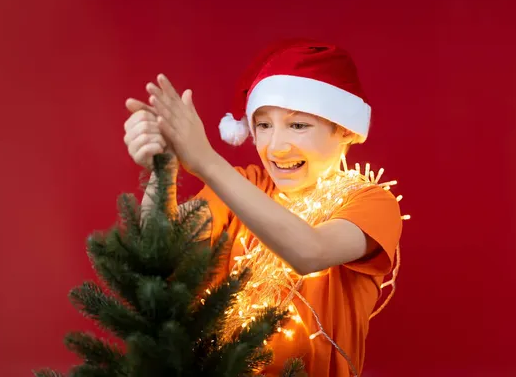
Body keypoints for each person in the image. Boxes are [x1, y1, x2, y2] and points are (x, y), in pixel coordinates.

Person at [122, 39, 403, 377]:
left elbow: (309, 252)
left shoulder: (371, 202)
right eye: (264, 125)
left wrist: (207, 161)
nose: (276, 147)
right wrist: (162, 171)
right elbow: (159, 256)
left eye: (298, 125)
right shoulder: (244, 185)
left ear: (343, 129)